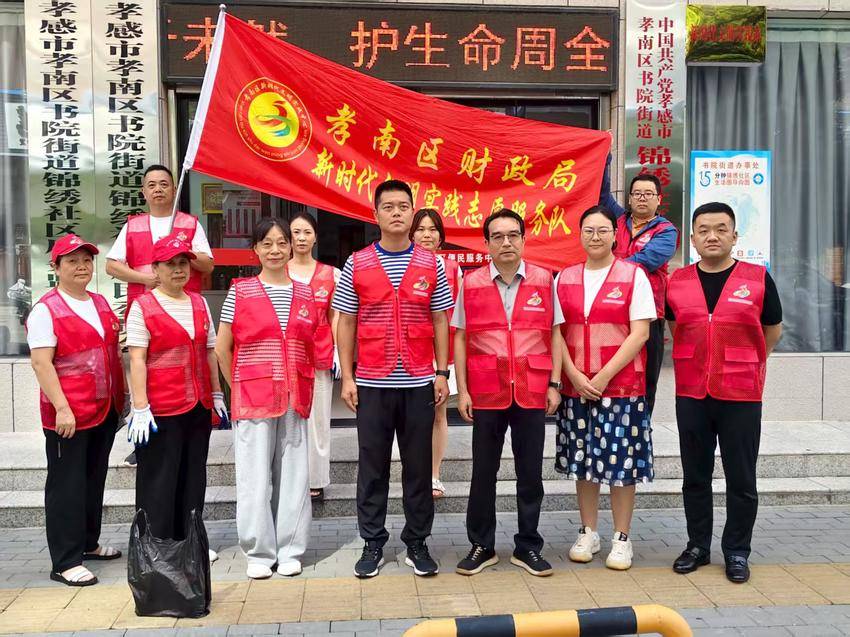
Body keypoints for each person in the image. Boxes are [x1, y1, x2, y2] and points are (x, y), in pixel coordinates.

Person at [334, 180, 453, 579]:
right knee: (373, 466)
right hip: (372, 381)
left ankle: (417, 542)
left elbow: (440, 320)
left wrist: (442, 372)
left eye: (403, 206)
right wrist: (347, 377)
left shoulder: (431, 264)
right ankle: (372, 542)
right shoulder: (357, 263)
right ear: (376, 214)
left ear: (412, 212)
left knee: (418, 468)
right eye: (389, 207)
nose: (397, 213)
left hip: (419, 381)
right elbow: (346, 322)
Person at [667, 202, 782, 584]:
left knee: (741, 479)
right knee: (695, 476)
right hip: (692, 393)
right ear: (693, 239)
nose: (712, 236)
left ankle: (736, 551)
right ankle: (697, 546)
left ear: (735, 236)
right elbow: (676, 327)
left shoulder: (757, 279)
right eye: (703, 230)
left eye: (720, 229)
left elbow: (772, 330)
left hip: (741, 395)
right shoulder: (678, 281)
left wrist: (746, 360)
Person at [452, 209, 562, 577]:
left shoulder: (545, 280)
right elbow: (460, 337)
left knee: (530, 472)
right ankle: (481, 545)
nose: (506, 242)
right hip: (486, 389)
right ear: (486, 244)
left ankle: (527, 545)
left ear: (524, 239)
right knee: (484, 471)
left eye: (513, 235)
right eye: (497, 236)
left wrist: (555, 384)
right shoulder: (471, 282)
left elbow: (555, 333)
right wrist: (462, 390)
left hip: (532, 388)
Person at [215, 218, 318, 580]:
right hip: (253, 397)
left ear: (291, 247)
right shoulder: (240, 291)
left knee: (294, 476)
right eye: (267, 243)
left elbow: (310, 344)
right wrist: (238, 387)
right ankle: (259, 552)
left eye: (281, 243)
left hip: (294, 396)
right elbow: (222, 348)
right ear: (255, 250)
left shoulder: (306, 294)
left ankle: (290, 549)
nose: (275, 250)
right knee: (254, 477)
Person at [555, 206, 656, 571]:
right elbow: (556, 332)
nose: (595, 237)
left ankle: (622, 537)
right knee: (583, 463)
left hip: (621, 389)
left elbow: (640, 333)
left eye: (602, 230)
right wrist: (573, 375)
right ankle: (588, 532)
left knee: (621, 464)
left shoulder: (633, 276)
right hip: (576, 388)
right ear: (579, 234)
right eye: (588, 230)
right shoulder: (564, 278)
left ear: (615, 235)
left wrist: (602, 377)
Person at [28, 234, 125, 586]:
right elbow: (41, 363)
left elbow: (112, 353)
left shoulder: (99, 303)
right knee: (66, 486)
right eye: (71, 261)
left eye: (86, 260)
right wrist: (62, 408)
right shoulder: (46, 309)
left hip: (104, 409)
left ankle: (88, 543)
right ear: (55, 267)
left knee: (92, 480)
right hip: (68, 415)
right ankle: (65, 561)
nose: (81, 266)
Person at [106, 164, 214, 468]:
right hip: (146, 309)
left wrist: (184, 251)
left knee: (184, 371)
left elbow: (208, 264)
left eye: (164, 184)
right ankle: (141, 436)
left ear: (173, 189)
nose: (158, 189)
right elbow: (112, 265)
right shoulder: (134, 225)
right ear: (144, 191)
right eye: (151, 184)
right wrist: (146, 279)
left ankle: (184, 431)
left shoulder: (189, 224)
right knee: (142, 367)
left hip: (183, 311)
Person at [126, 237, 226, 563]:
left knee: (193, 476)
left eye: (183, 263)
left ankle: (190, 541)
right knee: (160, 479)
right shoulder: (143, 307)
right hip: (160, 410)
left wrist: (216, 393)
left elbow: (209, 352)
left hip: (197, 406)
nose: (179, 270)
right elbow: (137, 359)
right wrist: (140, 406)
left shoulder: (198, 303)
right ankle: (157, 545)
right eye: (170, 264)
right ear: (155, 268)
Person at [599, 159, 678, 416]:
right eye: (637, 193)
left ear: (658, 199)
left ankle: (642, 425)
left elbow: (647, 260)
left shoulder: (667, 231)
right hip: (612, 311)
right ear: (630, 198)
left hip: (648, 313)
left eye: (648, 194)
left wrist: (608, 267)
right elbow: (601, 192)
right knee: (612, 369)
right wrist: (604, 156)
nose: (642, 198)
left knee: (646, 376)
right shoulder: (618, 219)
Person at [286, 212, 341, 503]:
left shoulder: (331, 275)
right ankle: (289, 477)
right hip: (286, 355)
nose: (301, 238)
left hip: (320, 353)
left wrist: (338, 352)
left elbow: (336, 317)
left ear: (315, 237)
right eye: (296, 232)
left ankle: (316, 480)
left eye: (307, 232)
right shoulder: (278, 270)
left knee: (318, 421)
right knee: (289, 419)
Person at [409, 209, 463, 500]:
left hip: (443, 354)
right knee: (414, 418)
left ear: (441, 236)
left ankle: (434, 475)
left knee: (439, 415)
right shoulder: (403, 265)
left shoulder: (453, 269)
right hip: (412, 353)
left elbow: (459, 315)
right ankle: (414, 474)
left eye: (432, 229)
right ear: (411, 234)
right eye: (421, 229)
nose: (427, 235)